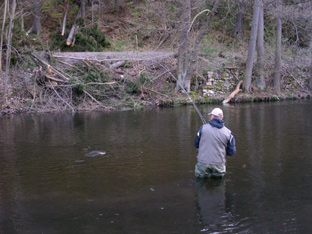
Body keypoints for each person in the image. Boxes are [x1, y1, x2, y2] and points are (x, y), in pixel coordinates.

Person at [194, 107, 236, 178]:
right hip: (219, 164)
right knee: (218, 186)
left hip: (203, 162)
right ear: (222, 117)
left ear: (212, 116)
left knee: (201, 184)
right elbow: (231, 152)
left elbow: (196, 144)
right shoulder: (228, 133)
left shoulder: (203, 128)